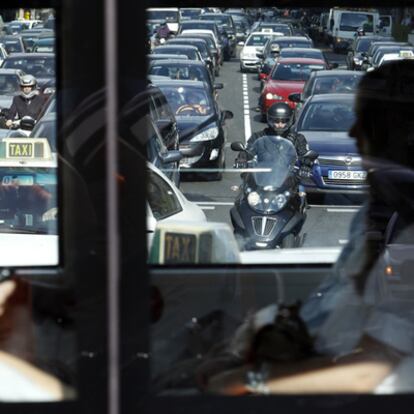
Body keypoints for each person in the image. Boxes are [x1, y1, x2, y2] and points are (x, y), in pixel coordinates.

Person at [200, 60, 414, 395]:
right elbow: (339, 308)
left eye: (367, 122)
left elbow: (370, 368)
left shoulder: (408, 227)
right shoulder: (378, 210)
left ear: (404, 133)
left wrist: (252, 380)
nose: (352, 133)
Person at [236, 102, 315, 178]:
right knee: (245, 188)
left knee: (301, 190)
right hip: (261, 179)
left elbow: (304, 154)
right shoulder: (258, 136)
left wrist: (306, 165)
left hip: (288, 181)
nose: (279, 125)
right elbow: (249, 151)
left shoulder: (298, 138)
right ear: (270, 120)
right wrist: (242, 157)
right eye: (276, 121)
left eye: (283, 121)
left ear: (290, 120)